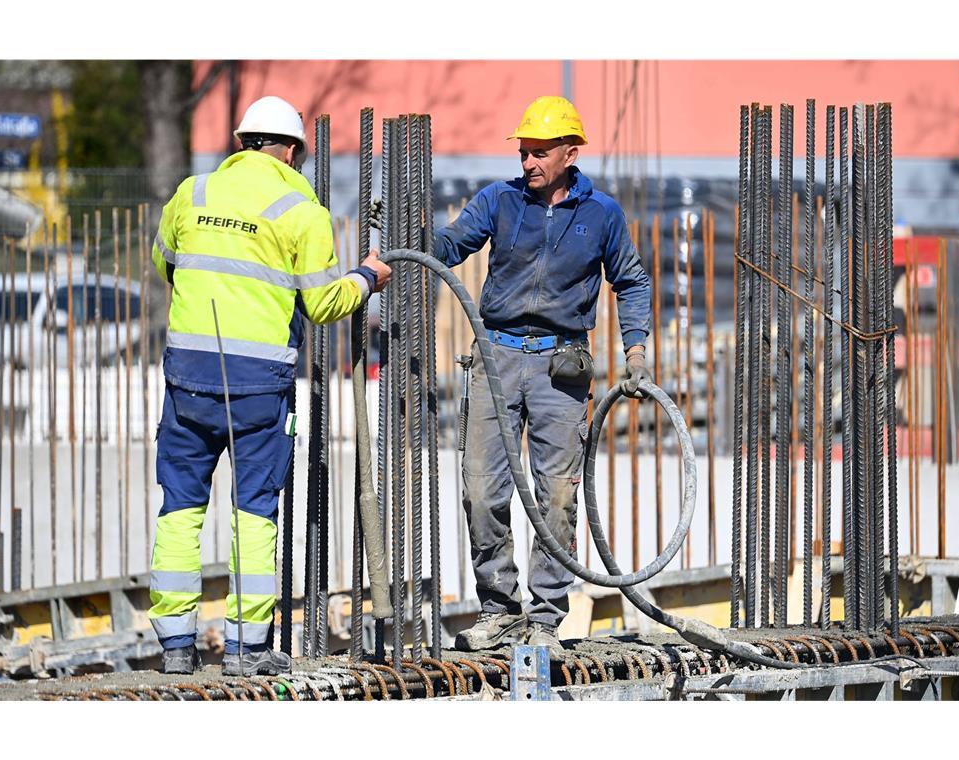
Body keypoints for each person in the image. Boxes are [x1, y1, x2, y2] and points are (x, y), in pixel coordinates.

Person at [147, 95, 391, 676]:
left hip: (188, 379)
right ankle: (246, 649)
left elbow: (166, 264)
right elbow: (324, 304)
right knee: (253, 511)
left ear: (240, 143)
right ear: (291, 151)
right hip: (258, 387)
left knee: (179, 507)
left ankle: (176, 645)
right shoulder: (301, 212)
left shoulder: (192, 193)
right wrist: (367, 278)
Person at [433, 96, 652, 654]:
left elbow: (630, 280)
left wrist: (636, 350)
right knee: (481, 491)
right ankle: (499, 608)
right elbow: (452, 245)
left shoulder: (601, 214)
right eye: (524, 152)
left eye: (540, 153)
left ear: (570, 153)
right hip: (496, 358)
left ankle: (545, 615)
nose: (529, 163)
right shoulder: (499, 200)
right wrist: (401, 249)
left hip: (562, 366)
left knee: (557, 496)